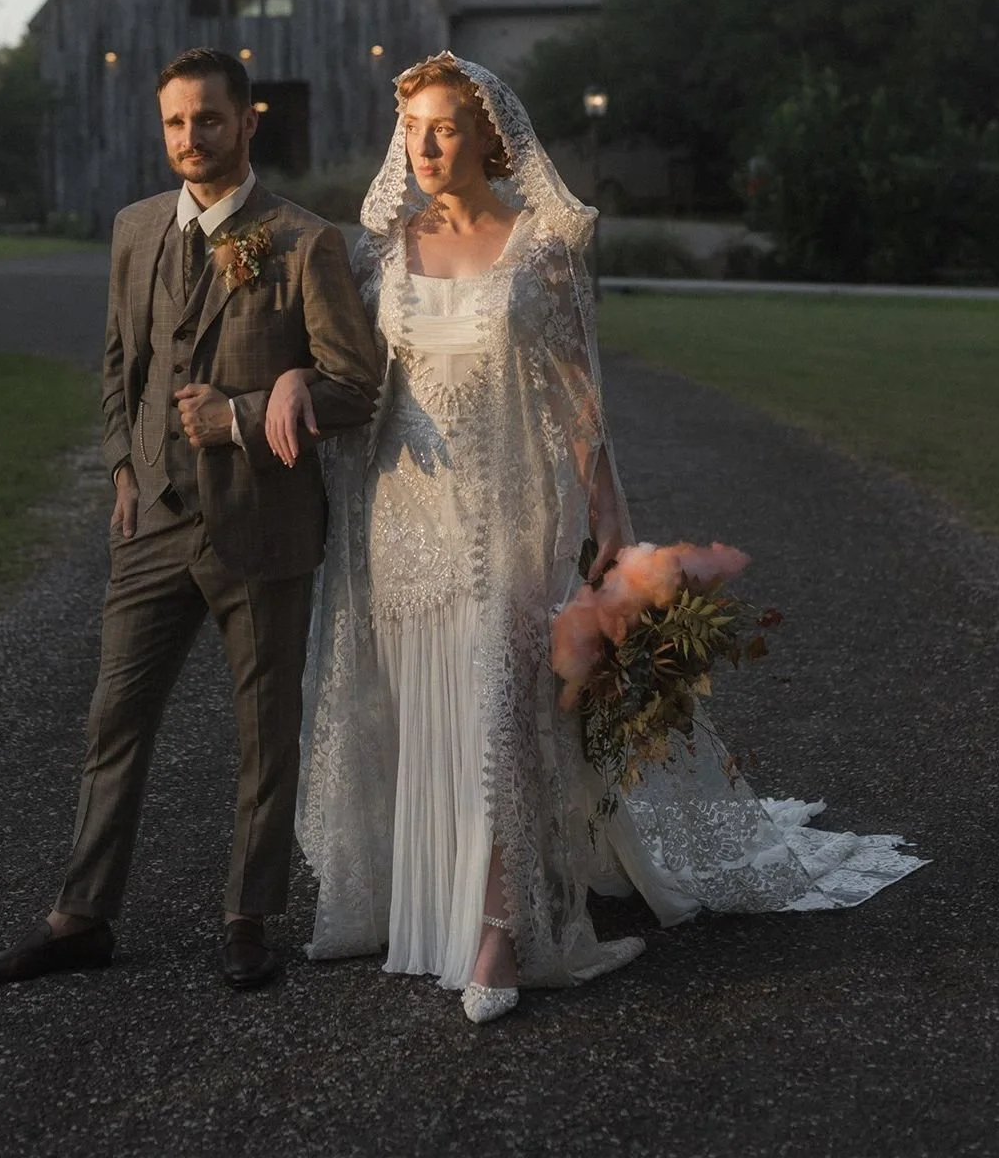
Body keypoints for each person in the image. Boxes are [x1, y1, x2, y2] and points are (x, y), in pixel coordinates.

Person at [275, 53, 925, 1024]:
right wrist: (285, 383)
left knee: (500, 703)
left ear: (489, 137)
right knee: (425, 708)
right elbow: (338, 369)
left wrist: (608, 526)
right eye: (410, 127)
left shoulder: (542, 245)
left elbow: (577, 401)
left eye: (444, 127)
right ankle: (426, 907)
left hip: (507, 517)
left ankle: (504, 932)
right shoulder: (374, 252)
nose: (423, 144)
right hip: (400, 521)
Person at [0, 48, 381, 989]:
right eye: (174, 123)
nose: (189, 139)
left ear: (247, 122)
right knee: (115, 717)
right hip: (154, 519)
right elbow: (121, 362)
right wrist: (123, 462)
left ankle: (248, 916)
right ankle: (79, 916)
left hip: (263, 522)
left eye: (207, 120)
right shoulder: (135, 227)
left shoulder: (305, 241)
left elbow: (358, 387)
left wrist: (238, 416)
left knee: (264, 732)